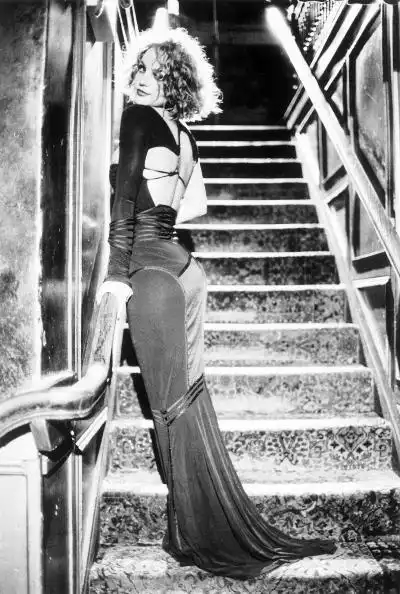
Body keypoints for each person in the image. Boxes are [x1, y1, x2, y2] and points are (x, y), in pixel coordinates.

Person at [101, 26, 336, 580]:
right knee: (185, 400)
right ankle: (194, 522)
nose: (141, 78)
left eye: (155, 72)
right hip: (186, 272)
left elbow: (126, 202)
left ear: (173, 82)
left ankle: (195, 532)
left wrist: (113, 276)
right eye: (139, 68)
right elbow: (185, 209)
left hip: (151, 274)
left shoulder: (137, 119)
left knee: (169, 406)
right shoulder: (186, 137)